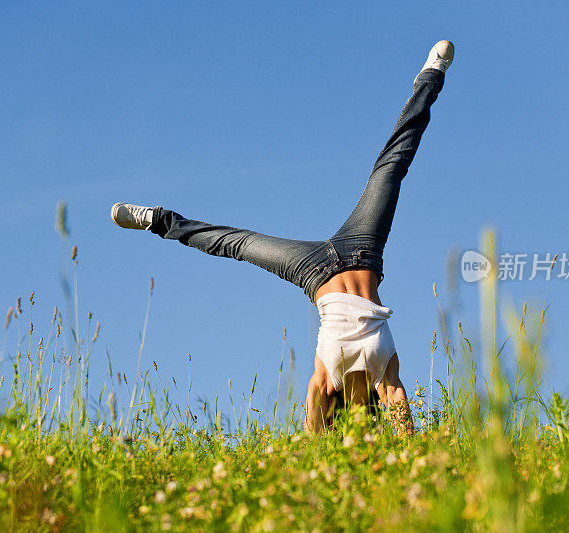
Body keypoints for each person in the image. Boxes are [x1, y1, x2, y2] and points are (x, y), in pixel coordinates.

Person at [111, 41, 453, 435]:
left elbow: (314, 412)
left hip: (313, 272)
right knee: (389, 170)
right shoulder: (384, 376)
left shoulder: (330, 380)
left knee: (236, 242)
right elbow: (400, 408)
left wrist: (316, 446)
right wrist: (408, 452)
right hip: (362, 250)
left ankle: (158, 220)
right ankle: (431, 77)